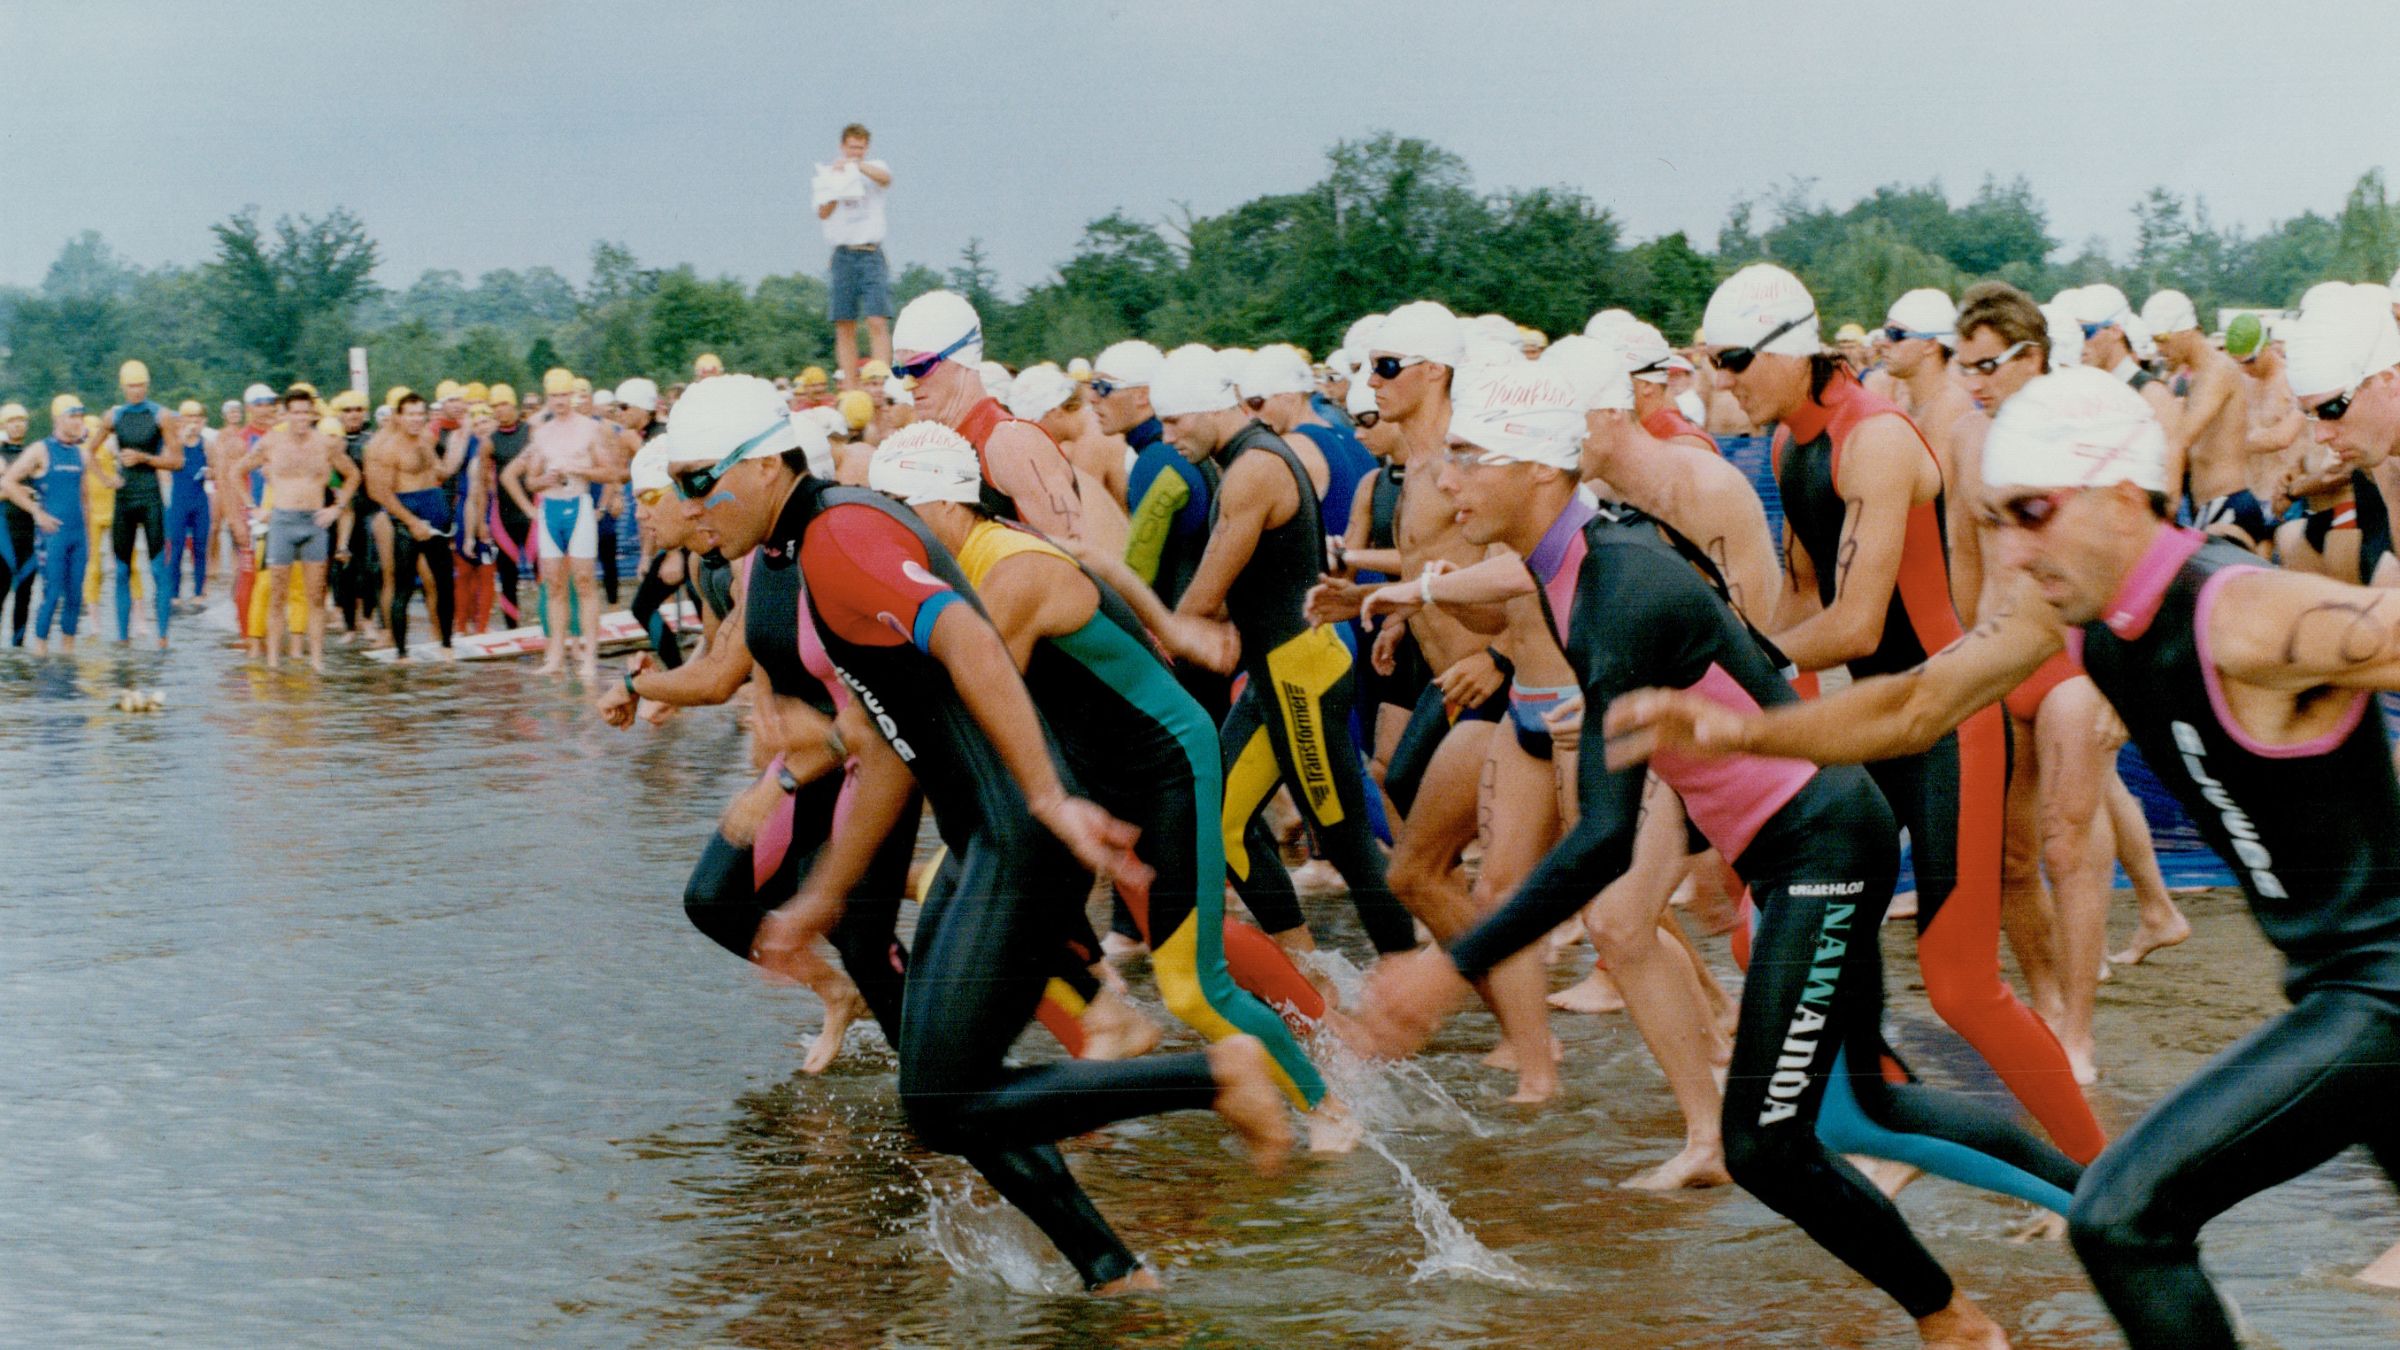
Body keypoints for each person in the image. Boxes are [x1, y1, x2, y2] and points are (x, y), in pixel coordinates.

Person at [1607, 350, 2400, 1350]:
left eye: (2031, 514)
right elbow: (1917, 701)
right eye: (1997, 521)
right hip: (2336, 986)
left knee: (2123, 1218)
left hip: (2380, 997)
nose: (2013, 553)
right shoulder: (2079, 613)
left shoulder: (2243, 611)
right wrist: (1745, 730)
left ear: (2119, 497)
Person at [1350, 367, 2077, 1350]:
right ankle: (2111, 1204)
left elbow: (1605, 835)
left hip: (1821, 841)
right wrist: (1411, 586)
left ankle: (1957, 1319)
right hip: (1797, 843)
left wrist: (1449, 966)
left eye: (1470, 459)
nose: (1447, 484)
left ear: (1536, 468)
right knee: (1856, 1111)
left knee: (1767, 1147)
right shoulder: (1573, 565)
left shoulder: (1619, 588)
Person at [653, 373, 1291, 1292]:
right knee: (947, 1089)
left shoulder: (839, 536)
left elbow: (968, 638)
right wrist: (827, 894)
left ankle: (1216, 1078)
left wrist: (1045, 797)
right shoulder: (803, 544)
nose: (684, 507)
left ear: (759, 466)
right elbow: (886, 736)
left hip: (1015, 837)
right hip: (985, 837)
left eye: (693, 480)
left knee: (945, 1100)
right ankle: (1113, 1273)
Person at [1705, 263, 2104, 1165]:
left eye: (1733, 359)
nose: (1721, 380)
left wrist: (1721, 670)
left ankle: (2097, 1171)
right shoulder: (1785, 447)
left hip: (1951, 726)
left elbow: (1855, 621)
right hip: (1883, 721)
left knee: (1962, 986)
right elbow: (1803, 601)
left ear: (1792, 351)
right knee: (1772, 927)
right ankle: (1891, 1128)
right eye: (1713, 361)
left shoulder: (1875, 441)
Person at [866, 422, 1346, 1139]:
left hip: (1164, 766)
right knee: (952, 881)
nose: (887, 536)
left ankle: (1328, 1108)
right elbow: (1097, 559)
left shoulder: (1007, 571)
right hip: (1088, 775)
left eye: (895, 513)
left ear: (940, 505)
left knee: (1192, 986)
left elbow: (961, 711)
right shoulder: (973, 551)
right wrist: (1171, 628)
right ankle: (1106, 1016)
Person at [1148, 345, 1423, 963]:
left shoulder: (1253, 469)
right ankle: (1307, 973)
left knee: (1344, 836)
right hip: (1280, 676)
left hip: (1300, 675)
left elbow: (1208, 594)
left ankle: (1406, 976)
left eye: (1174, 421)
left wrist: (1147, 632)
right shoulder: (1241, 460)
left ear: (1211, 408)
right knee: (1220, 823)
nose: (1166, 438)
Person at [888, 290, 1088, 543]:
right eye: (901, 371)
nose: (908, 384)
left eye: (919, 367)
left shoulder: (1011, 443)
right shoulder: (933, 446)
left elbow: (1075, 556)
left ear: (963, 358)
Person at [502, 368, 623, 678]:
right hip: (550, 509)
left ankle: (588, 657)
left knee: (584, 581)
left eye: (564, 395)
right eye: (554, 396)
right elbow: (528, 481)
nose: (559, 401)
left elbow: (612, 473)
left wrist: (581, 471)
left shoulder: (590, 429)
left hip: (579, 506)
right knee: (554, 584)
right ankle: (555, 655)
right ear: (547, 398)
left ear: (573, 395)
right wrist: (544, 479)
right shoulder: (540, 432)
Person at [232, 388, 354, 672]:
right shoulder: (271, 442)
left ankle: (316, 660)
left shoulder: (326, 444)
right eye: (295, 412)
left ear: (313, 414)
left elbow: (353, 476)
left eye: (306, 412)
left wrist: (336, 508)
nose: (301, 418)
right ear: (286, 414)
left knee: (314, 596)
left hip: (314, 522)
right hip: (282, 522)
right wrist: (254, 507)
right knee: (277, 595)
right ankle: (274, 661)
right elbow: (236, 472)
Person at [2146, 289, 2265, 553]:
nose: (2159, 349)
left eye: (2163, 339)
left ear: (2186, 331)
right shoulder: (2197, 376)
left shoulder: (2217, 371)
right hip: (2209, 508)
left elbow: (2181, 438)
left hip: (2229, 505)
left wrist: (2169, 506)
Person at [0, 395, 110, 654]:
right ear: (58, 419)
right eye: (72, 416)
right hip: (40, 534)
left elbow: (85, 500)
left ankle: (64, 659)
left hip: (73, 536)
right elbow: (8, 483)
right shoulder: (40, 450)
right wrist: (37, 511)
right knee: (47, 595)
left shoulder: (81, 455)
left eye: (80, 416)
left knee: (72, 598)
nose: (78, 421)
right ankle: (35, 656)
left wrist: (91, 540)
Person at [365, 393, 457, 661]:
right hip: (407, 513)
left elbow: (439, 472)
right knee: (403, 585)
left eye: (420, 414)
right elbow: (382, 493)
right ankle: (402, 652)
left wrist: (457, 450)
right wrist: (411, 521)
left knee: (444, 582)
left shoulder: (428, 439)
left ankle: (447, 644)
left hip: (434, 506)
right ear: (398, 417)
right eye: (411, 414)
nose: (417, 419)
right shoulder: (387, 448)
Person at [96, 360, 180, 647]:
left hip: (151, 497)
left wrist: (146, 459)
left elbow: (177, 461)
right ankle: (122, 638)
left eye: (141, 385)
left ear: (148, 385)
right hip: (124, 498)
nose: (137, 391)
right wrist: (107, 479)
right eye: (131, 386)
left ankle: (163, 638)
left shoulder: (161, 416)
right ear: (123, 387)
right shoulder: (113, 416)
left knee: (158, 570)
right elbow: (89, 452)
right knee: (121, 570)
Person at [812, 122, 894, 389]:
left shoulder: (874, 169)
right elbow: (822, 212)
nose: (856, 151)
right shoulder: (828, 174)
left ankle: (881, 378)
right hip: (843, 255)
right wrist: (838, 187)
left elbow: (886, 179)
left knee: (876, 319)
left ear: (866, 148)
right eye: (851, 147)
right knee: (844, 323)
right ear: (842, 146)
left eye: (860, 147)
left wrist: (856, 167)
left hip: (871, 253)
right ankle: (850, 385)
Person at [481, 383, 533, 624]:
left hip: (532, 514)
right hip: (503, 517)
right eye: (495, 407)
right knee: (508, 578)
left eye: (503, 404)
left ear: (514, 405)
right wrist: (483, 521)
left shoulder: (532, 432)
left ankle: (553, 627)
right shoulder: (489, 442)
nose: (499, 410)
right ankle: (512, 629)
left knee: (545, 574)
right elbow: (483, 485)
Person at [1, 402, 42, 644]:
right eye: (12, 421)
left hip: (29, 535)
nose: (17, 425)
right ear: (3, 425)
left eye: (21, 420)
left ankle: (18, 653)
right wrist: (13, 493)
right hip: (3, 534)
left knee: (25, 594)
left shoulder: (33, 457)